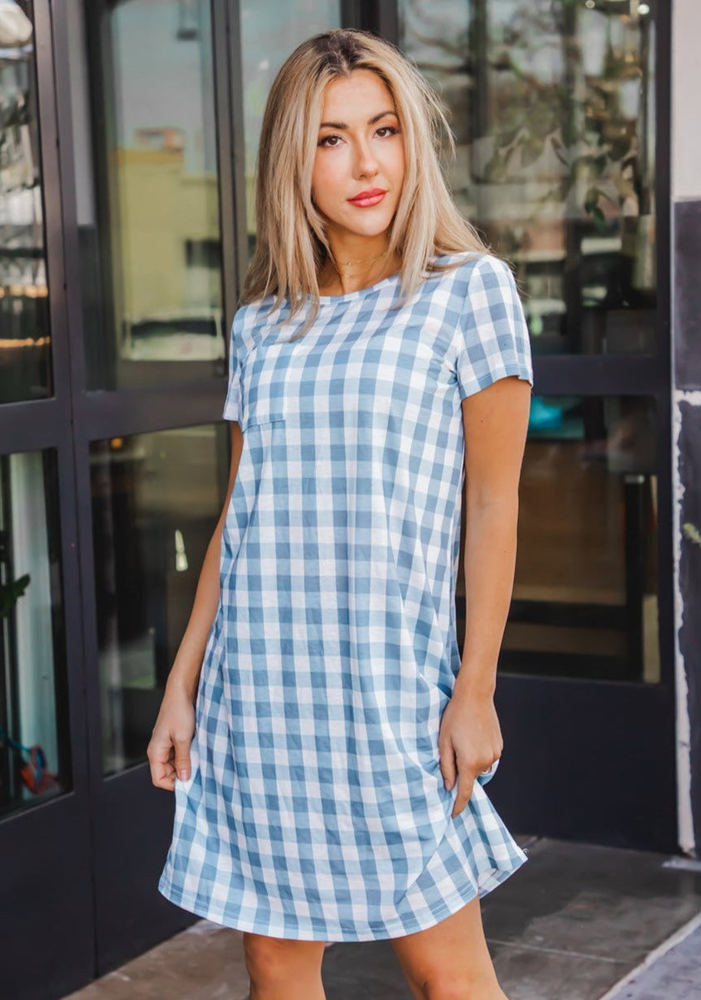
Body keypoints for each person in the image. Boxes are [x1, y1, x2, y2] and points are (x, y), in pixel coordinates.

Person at [148, 28, 533, 1000]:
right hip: (263, 695)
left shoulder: (466, 294)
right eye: (330, 138)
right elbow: (241, 514)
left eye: (384, 129)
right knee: (277, 960)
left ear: (413, 143)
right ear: (293, 159)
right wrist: (183, 680)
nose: (365, 163)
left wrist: (474, 685)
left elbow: (492, 505)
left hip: (391, 691)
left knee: (444, 966)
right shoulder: (262, 324)